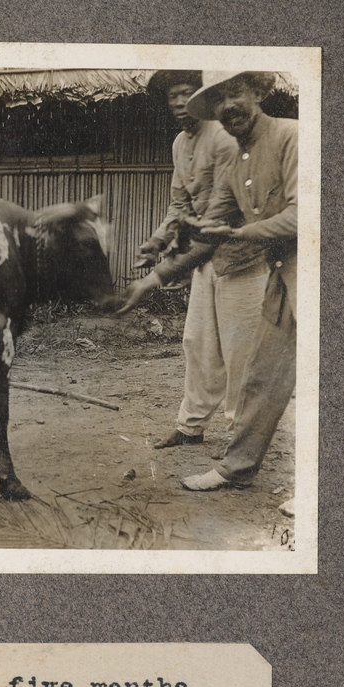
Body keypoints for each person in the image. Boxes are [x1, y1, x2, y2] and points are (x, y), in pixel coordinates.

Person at [121, 71, 298, 509]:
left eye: (235, 93)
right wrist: (155, 275)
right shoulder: (233, 158)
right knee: (259, 374)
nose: (227, 107)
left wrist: (240, 235)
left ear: (259, 92)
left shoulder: (292, 136)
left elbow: (305, 217)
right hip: (281, 272)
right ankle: (235, 466)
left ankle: (320, 488)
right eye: (218, 100)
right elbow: (205, 226)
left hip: (308, 272)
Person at [127, 71, 269, 451]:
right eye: (172, 96)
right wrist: (156, 242)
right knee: (198, 343)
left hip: (241, 257)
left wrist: (162, 271)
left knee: (240, 351)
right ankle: (191, 427)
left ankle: (242, 437)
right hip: (204, 258)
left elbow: (226, 211)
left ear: (198, 100)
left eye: (185, 94)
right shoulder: (179, 143)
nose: (177, 102)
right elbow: (180, 203)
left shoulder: (223, 138)